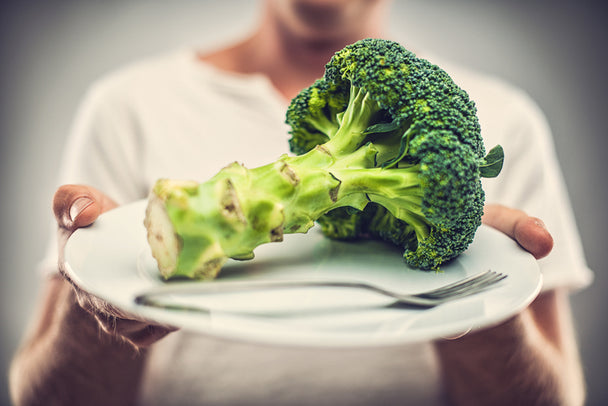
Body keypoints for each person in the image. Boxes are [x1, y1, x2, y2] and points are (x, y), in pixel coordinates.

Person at [9, 0, 592, 405]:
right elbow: (40, 397)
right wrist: (93, 308)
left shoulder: (509, 119)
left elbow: (556, 397)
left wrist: (479, 285)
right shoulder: (124, 105)